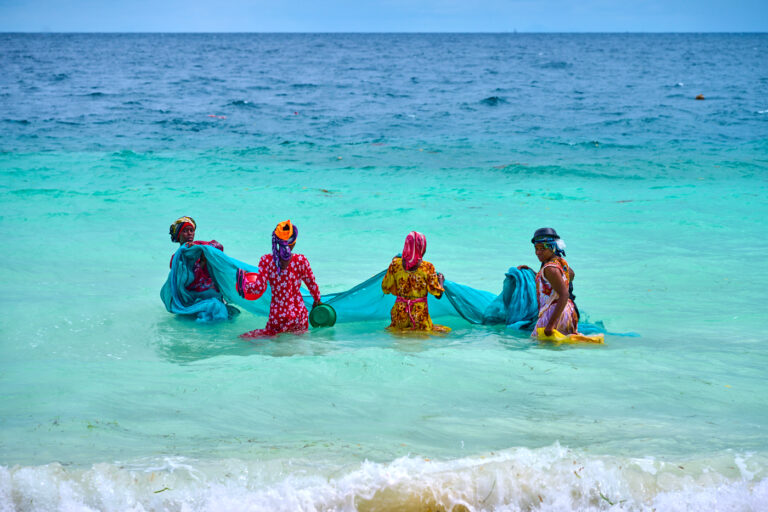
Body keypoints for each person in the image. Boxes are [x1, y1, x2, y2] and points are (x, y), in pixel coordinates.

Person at [236, 220, 322, 338]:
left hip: (278, 318)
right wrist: (317, 300)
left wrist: (244, 284)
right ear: (293, 243)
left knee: (266, 340)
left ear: (276, 241)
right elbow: (312, 284)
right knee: (297, 343)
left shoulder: (266, 261)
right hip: (299, 317)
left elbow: (258, 289)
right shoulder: (301, 260)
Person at [381, 231, 450, 333]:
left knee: (399, 338)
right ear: (422, 247)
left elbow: (385, 288)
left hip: (399, 313)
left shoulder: (395, 265)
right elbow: (438, 294)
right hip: (419, 315)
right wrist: (441, 281)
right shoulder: (427, 267)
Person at [520, 227, 578, 337]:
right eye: (536, 248)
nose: (538, 252)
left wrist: (551, 324)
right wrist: (531, 272)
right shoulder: (561, 263)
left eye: (542, 248)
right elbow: (568, 276)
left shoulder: (550, 269)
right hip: (567, 311)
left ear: (553, 247)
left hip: (553, 313)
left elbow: (564, 294)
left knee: (536, 342)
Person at [169, 216, 224, 294]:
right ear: (178, 235)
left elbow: (219, 247)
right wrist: (202, 262)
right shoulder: (176, 258)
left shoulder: (199, 245)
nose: (189, 233)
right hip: (191, 295)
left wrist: (203, 251)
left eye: (191, 230)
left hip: (209, 290)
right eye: (185, 231)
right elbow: (183, 281)